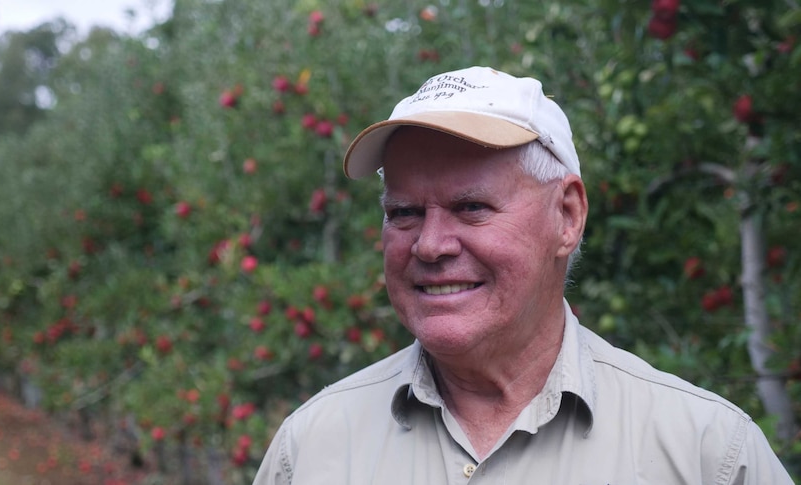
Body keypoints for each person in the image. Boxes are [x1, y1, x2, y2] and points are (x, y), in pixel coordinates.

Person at [252, 66, 793, 484]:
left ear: (567, 217)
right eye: (404, 213)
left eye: (471, 207)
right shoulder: (311, 447)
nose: (430, 244)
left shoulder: (706, 454)